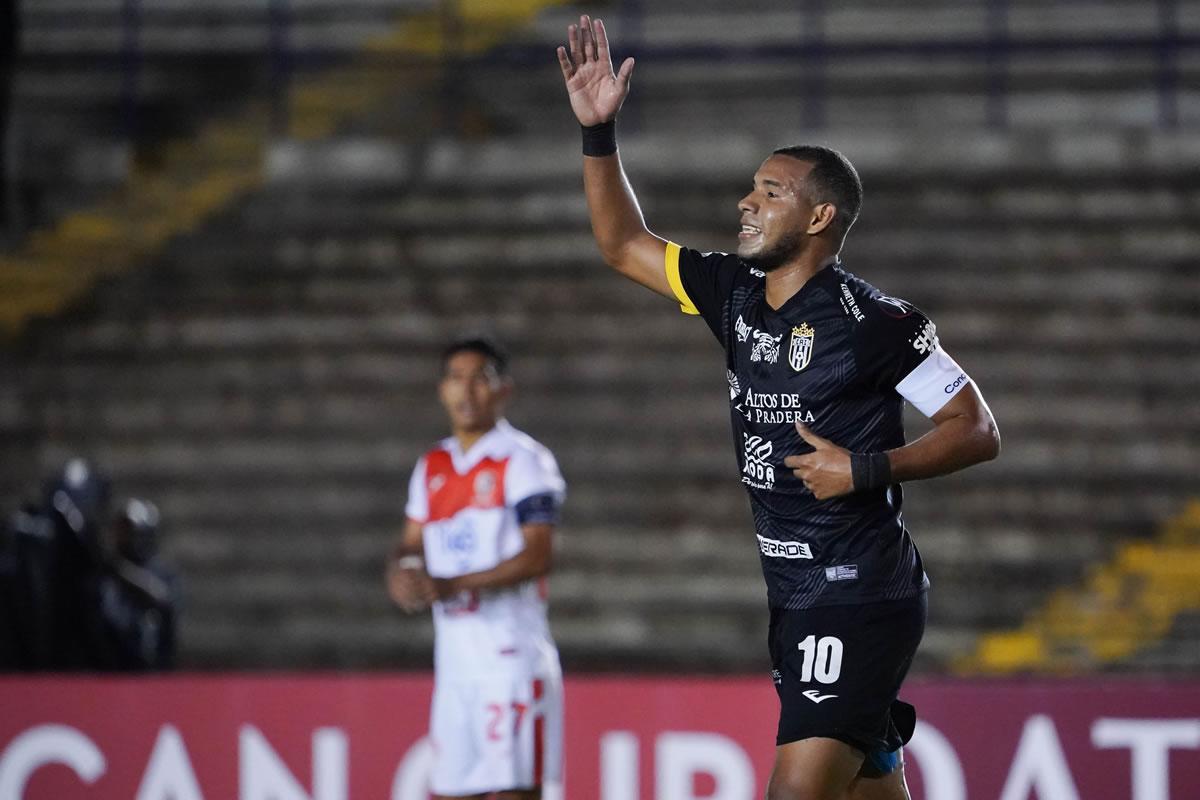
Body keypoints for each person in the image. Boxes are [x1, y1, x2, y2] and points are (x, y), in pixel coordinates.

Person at [557, 15, 1001, 800]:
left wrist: (866, 468)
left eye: (771, 191)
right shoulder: (731, 292)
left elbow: (977, 429)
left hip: (858, 588)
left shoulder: (879, 324)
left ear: (819, 217)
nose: (746, 201)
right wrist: (599, 134)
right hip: (793, 590)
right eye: (752, 188)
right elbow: (621, 242)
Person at [387, 337, 566, 800]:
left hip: (509, 663)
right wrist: (403, 572)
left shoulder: (524, 460)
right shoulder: (433, 466)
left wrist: (451, 584)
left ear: (503, 389)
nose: (466, 392)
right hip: (454, 668)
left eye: (479, 379)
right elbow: (410, 544)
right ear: (441, 390)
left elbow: (537, 556)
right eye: (455, 379)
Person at [97, 498, 179, 671]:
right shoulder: (105, 573)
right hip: (111, 662)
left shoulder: (161, 572)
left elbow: (163, 599)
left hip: (150, 662)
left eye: (129, 530)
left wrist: (122, 572)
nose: (124, 537)